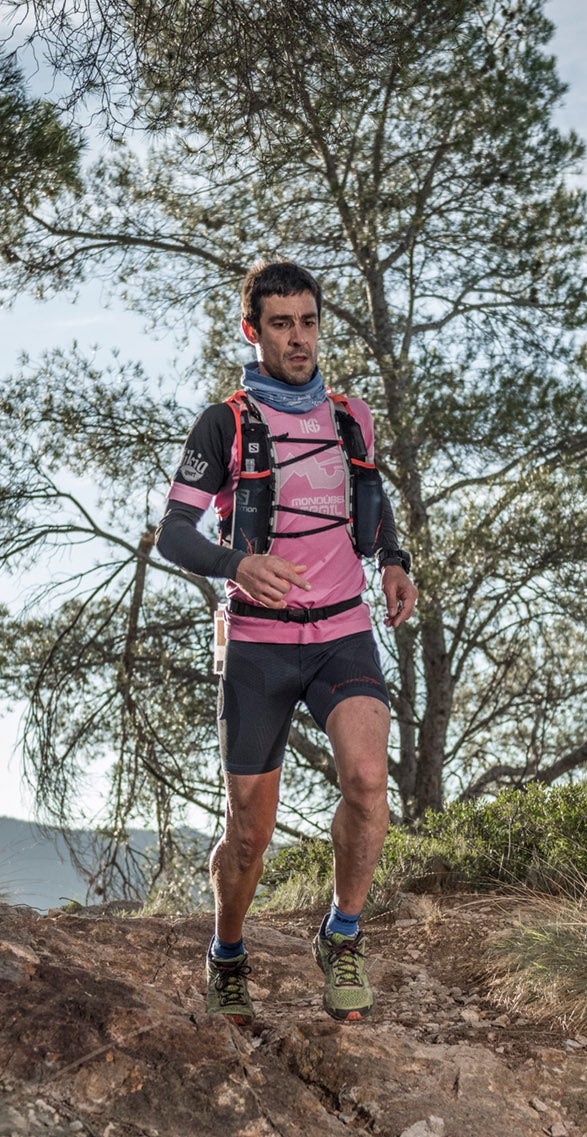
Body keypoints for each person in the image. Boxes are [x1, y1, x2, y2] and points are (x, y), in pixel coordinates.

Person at [156, 260, 418, 1024]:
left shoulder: (350, 416)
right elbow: (175, 533)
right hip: (259, 645)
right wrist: (238, 563)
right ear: (253, 330)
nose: (299, 338)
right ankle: (228, 953)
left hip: (343, 629)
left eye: (308, 321)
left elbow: (372, 500)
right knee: (249, 833)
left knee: (369, 783)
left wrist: (394, 563)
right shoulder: (226, 423)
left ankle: (341, 934)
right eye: (281, 324)